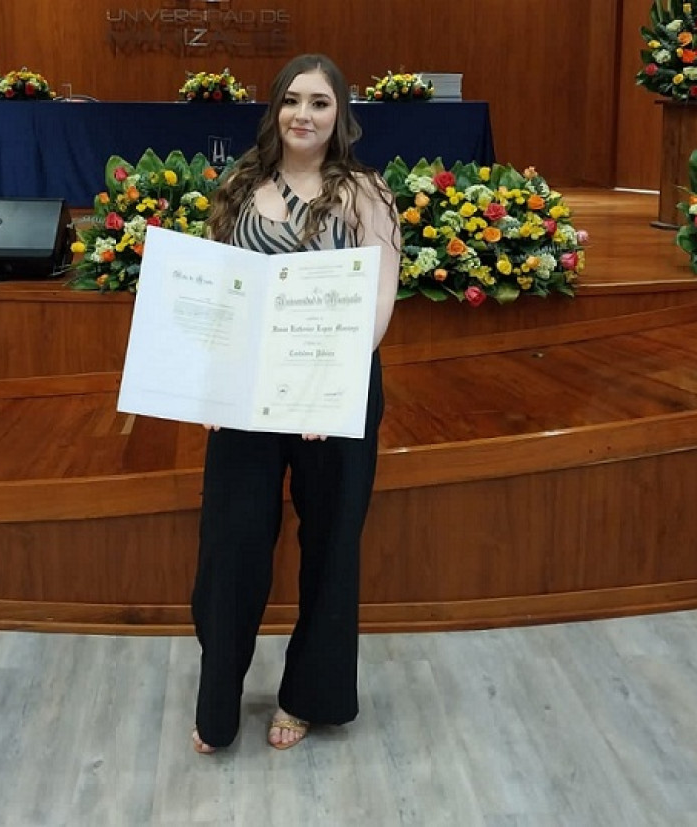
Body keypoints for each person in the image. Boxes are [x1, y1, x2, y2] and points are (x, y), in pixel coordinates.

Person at [190, 53, 401, 753]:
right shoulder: (239, 184)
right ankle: (217, 704)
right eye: (290, 100)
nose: (301, 115)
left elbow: (378, 299)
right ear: (274, 110)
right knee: (233, 543)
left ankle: (308, 695)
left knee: (332, 544)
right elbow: (220, 292)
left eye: (317, 102)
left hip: (336, 394)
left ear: (338, 114)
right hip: (247, 394)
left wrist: (330, 390)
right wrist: (213, 384)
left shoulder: (366, 193)